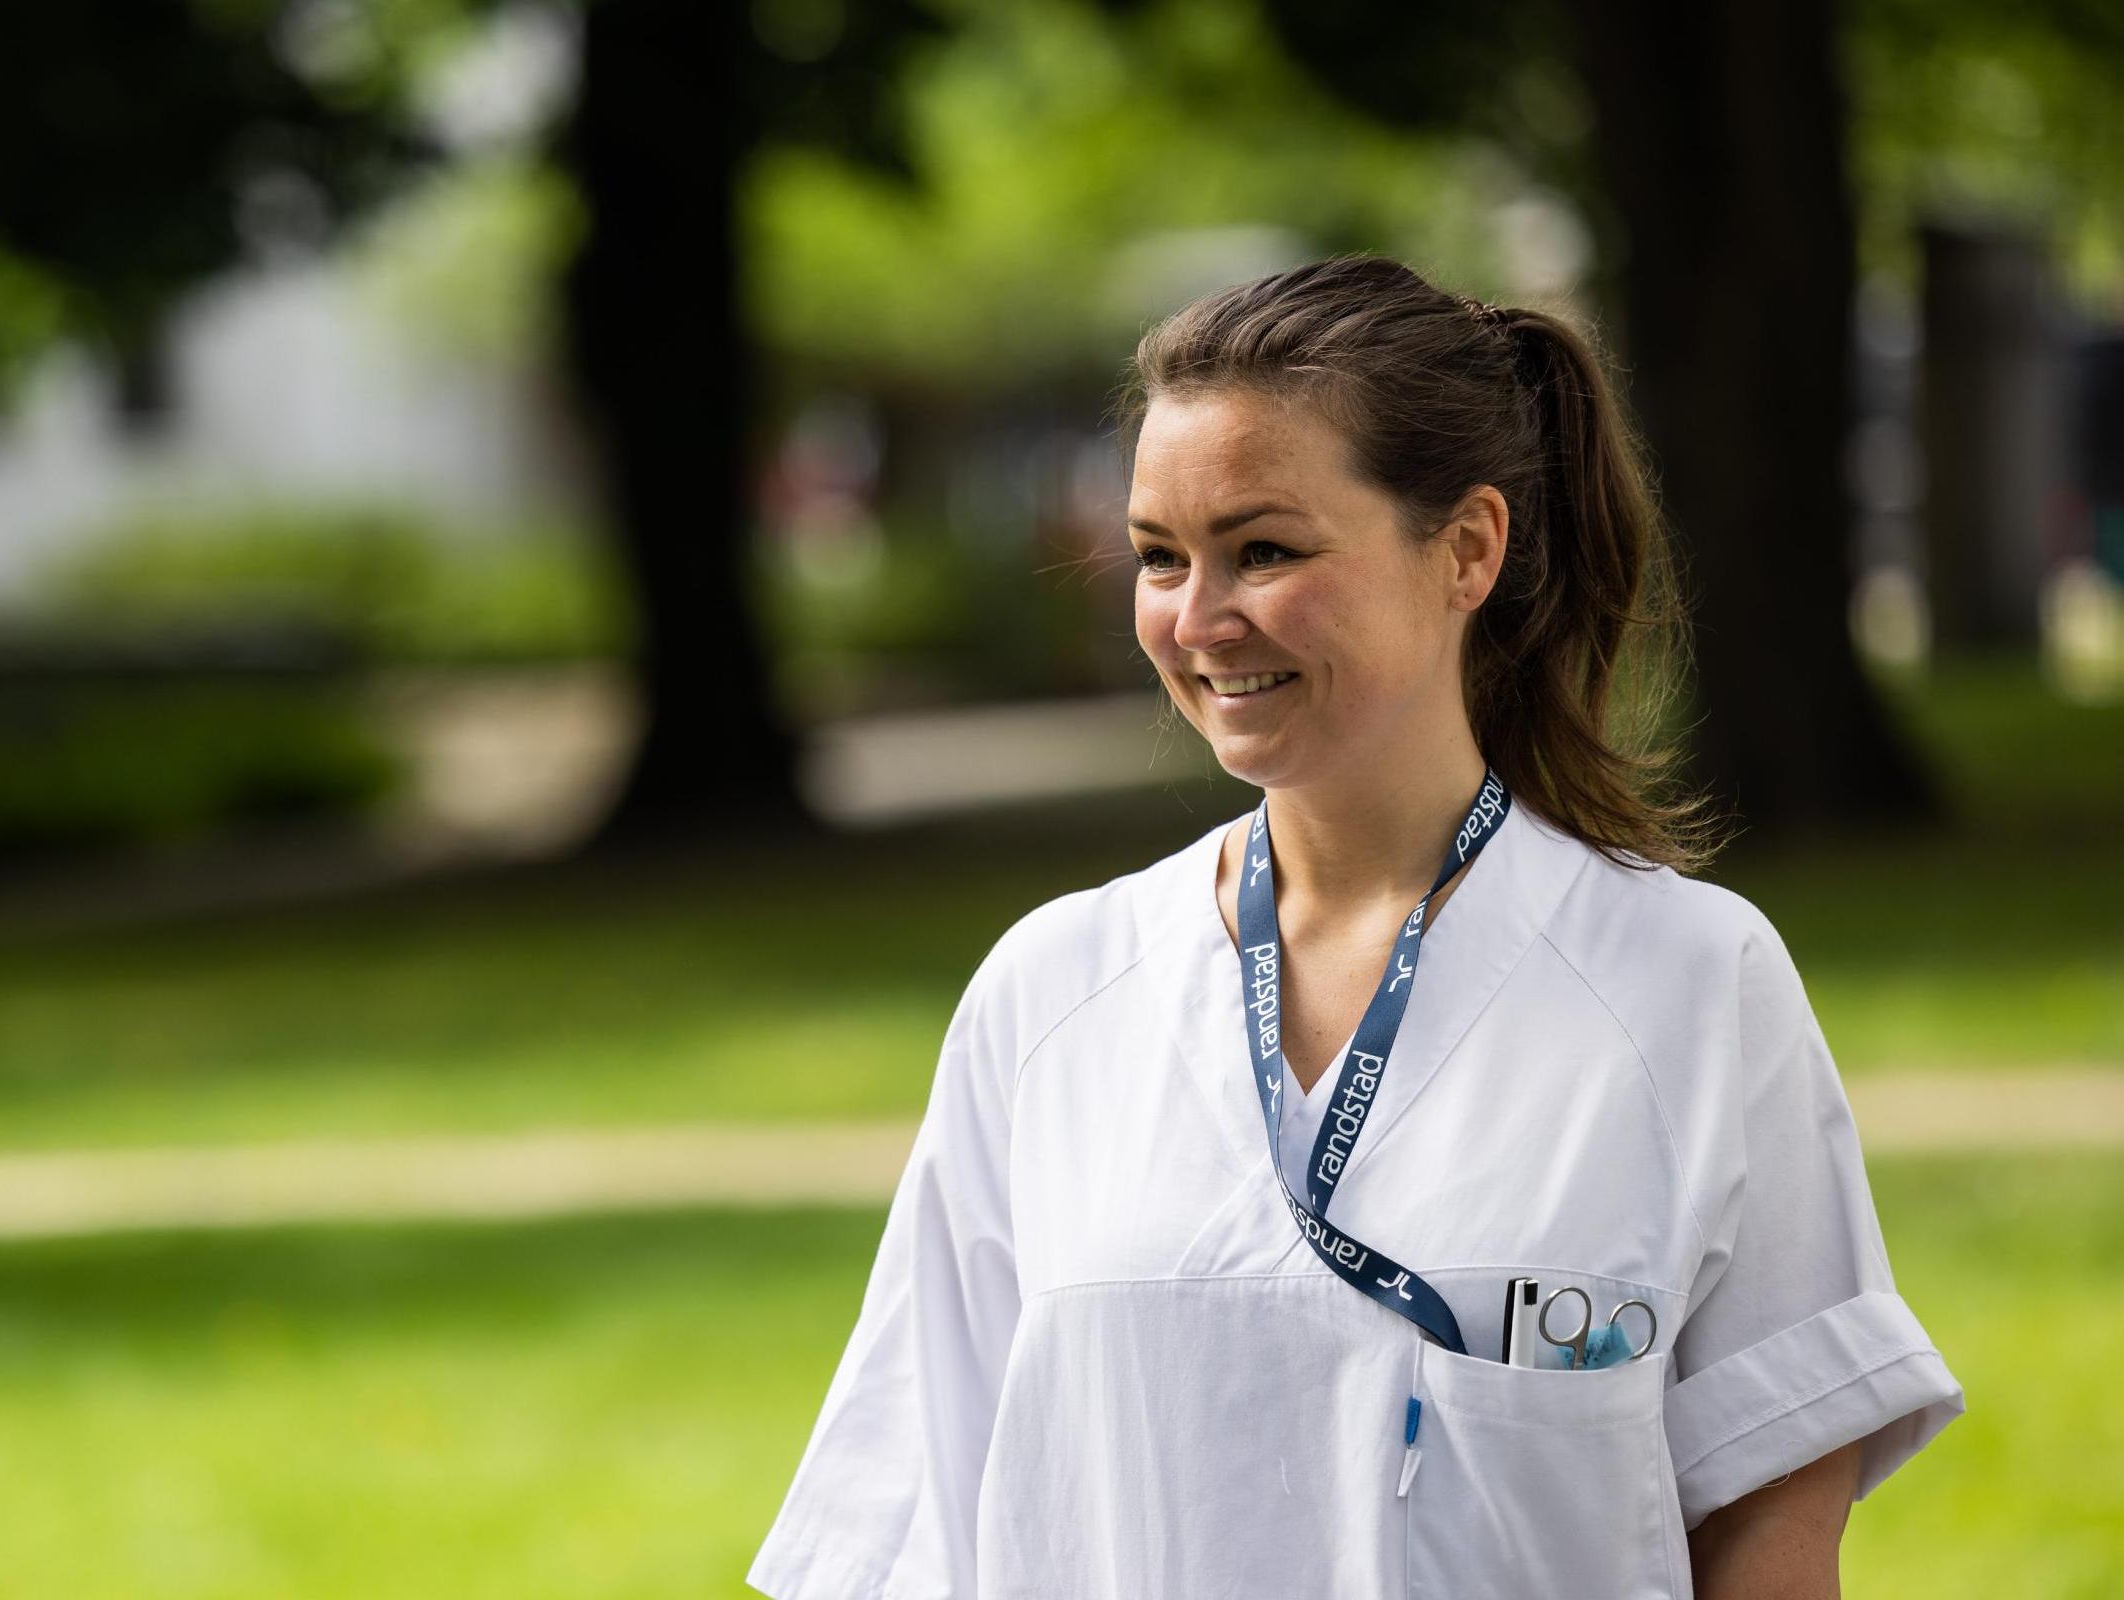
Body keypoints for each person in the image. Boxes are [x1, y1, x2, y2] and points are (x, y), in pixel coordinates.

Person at [744, 255, 1964, 1600]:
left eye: (1265, 550)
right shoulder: (1053, 995)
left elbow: (1769, 1525)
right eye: (1160, 556)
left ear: (1469, 550)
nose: (1199, 620)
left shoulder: (1689, 984)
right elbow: (916, 1529)